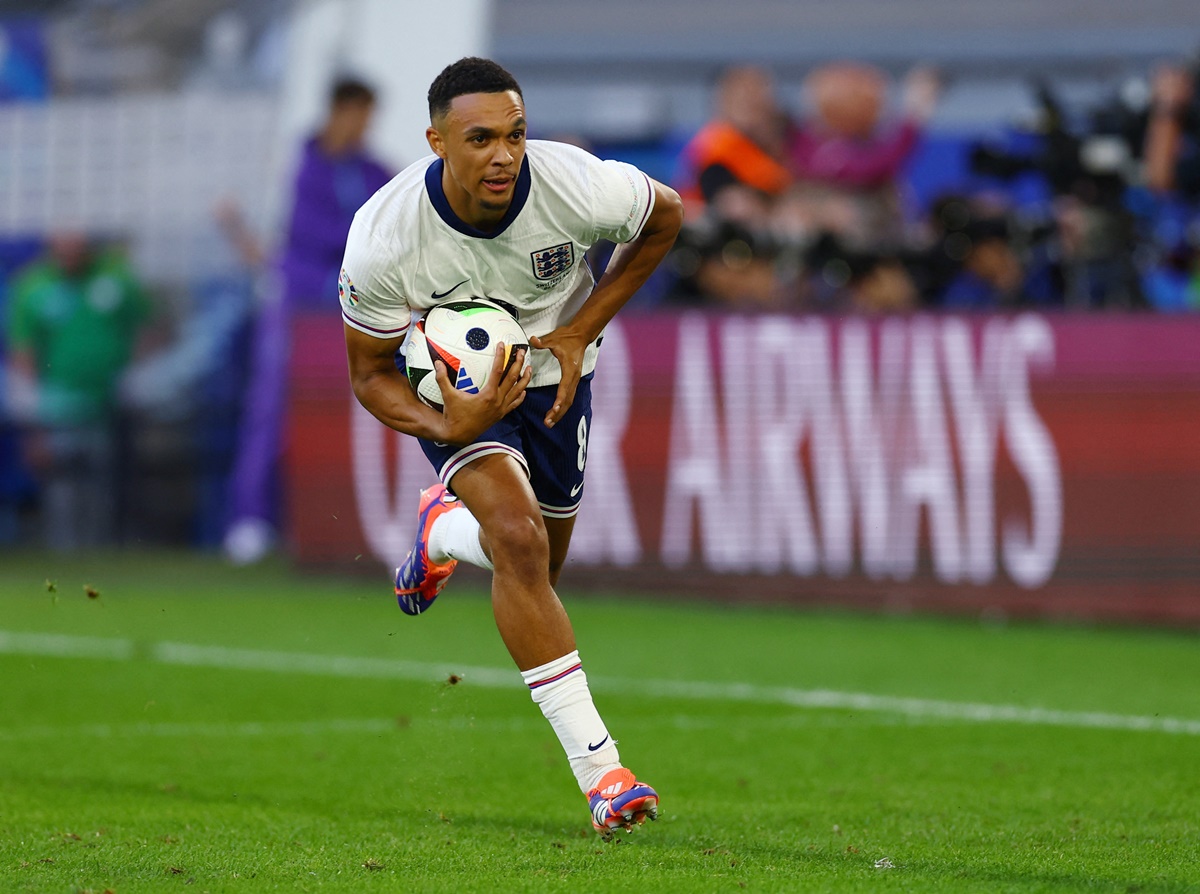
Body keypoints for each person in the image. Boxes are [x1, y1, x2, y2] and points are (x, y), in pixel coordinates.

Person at [339, 57, 683, 838]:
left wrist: (581, 327)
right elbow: (368, 373)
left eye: (516, 135)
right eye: (482, 138)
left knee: (539, 568)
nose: (504, 154)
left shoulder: (577, 187)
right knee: (521, 543)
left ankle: (445, 531)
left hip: (560, 374)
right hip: (457, 395)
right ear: (436, 141)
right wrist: (445, 426)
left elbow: (668, 217)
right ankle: (606, 777)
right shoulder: (385, 236)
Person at [223, 77, 392, 564]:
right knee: (271, 412)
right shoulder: (298, 167)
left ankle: (331, 524)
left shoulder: (372, 169)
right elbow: (302, 243)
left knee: (357, 407)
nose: (364, 126)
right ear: (339, 112)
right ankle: (249, 521)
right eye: (359, 115)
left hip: (355, 307)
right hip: (297, 308)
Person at [4, 232, 151, 549]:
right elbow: (23, 348)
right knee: (62, 478)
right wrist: (31, 405)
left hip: (107, 400)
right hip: (57, 402)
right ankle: (64, 548)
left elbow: (145, 326)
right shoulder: (35, 286)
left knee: (104, 478)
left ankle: (101, 546)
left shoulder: (114, 279)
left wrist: (132, 374)